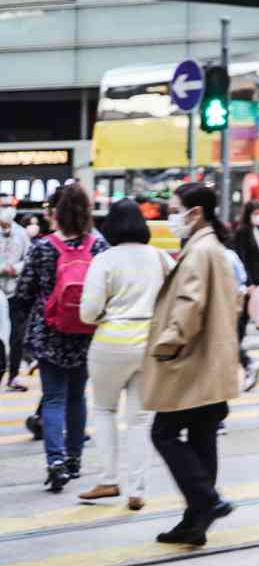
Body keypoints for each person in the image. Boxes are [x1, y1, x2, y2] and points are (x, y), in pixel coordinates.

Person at [144, 183, 240, 546]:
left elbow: (190, 303)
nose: (171, 216)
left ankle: (207, 500)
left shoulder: (200, 250)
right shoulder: (215, 247)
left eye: (174, 208)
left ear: (194, 212)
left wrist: (168, 343)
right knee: (202, 437)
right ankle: (195, 521)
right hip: (211, 362)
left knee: (163, 432)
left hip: (191, 360)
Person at [77, 199, 174, 511]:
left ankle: (108, 480)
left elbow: (88, 313)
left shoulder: (104, 260)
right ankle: (137, 489)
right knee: (139, 420)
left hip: (111, 342)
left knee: (104, 410)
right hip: (150, 344)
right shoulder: (161, 258)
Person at [16, 184, 108, 492]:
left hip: (50, 331)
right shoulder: (98, 245)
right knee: (77, 396)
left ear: (56, 212)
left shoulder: (42, 246)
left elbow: (25, 292)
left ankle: (55, 461)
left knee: (53, 398)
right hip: (86, 331)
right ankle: (74, 459)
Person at [232, 200, 259, 391]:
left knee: (243, 324)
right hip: (249, 286)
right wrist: (248, 283)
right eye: (255, 212)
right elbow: (241, 258)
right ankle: (242, 359)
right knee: (239, 324)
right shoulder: (242, 232)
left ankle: (242, 359)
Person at [0, 207, 30, 392]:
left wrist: (16, 268)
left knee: (16, 335)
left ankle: (14, 376)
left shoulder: (21, 234)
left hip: (14, 291)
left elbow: (29, 258)